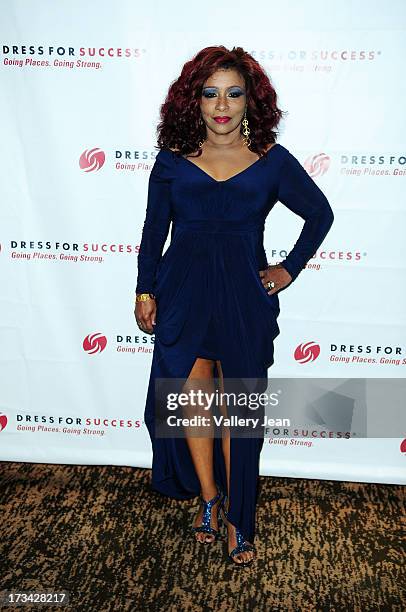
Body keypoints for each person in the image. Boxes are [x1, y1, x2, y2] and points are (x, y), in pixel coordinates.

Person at [134, 45, 334, 567]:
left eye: (234, 93)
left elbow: (320, 214)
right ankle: (208, 501)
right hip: (182, 292)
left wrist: (288, 268)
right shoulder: (173, 161)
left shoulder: (272, 161)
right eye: (210, 93)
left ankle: (240, 519)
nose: (222, 104)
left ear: (251, 102)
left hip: (244, 297)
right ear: (193, 100)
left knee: (240, 415)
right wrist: (144, 289)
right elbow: (154, 232)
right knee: (194, 404)